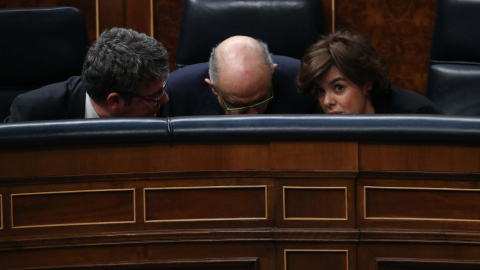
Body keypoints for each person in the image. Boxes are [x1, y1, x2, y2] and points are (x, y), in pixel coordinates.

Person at [5, 27, 169, 122]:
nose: (165, 98)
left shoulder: (164, 108)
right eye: (155, 95)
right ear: (114, 100)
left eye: (161, 89)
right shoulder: (34, 113)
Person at [159, 35, 317, 116]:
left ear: (272, 73)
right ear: (214, 88)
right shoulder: (173, 94)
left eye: (261, 101)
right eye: (238, 106)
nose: (252, 117)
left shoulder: (307, 82)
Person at [296, 31, 443, 114]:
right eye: (321, 91)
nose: (328, 101)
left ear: (367, 83)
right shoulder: (321, 114)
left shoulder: (415, 115)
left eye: (339, 88)